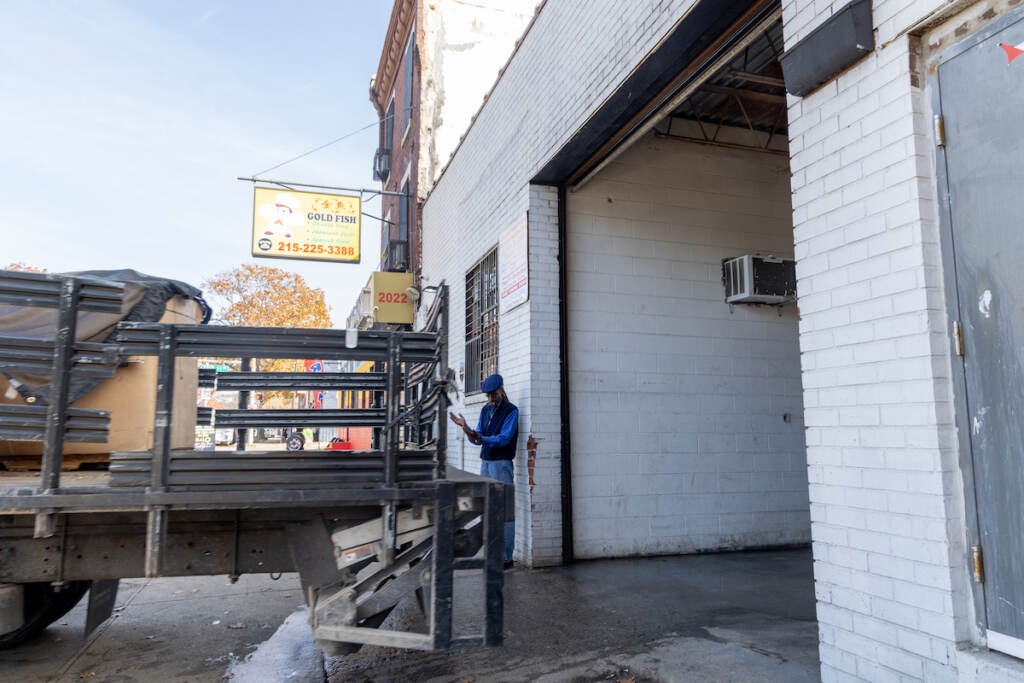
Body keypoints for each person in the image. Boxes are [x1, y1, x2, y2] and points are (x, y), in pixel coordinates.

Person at [450, 373, 518, 568]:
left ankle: (506, 558)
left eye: (492, 395)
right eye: (487, 395)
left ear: (500, 390)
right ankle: (490, 551)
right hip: (486, 462)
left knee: (504, 509)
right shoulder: (484, 410)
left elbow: (504, 438)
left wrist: (480, 436)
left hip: (501, 463)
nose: (489, 399)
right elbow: (476, 437)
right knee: (485, 507)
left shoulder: (511, 411)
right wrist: (466, 429)